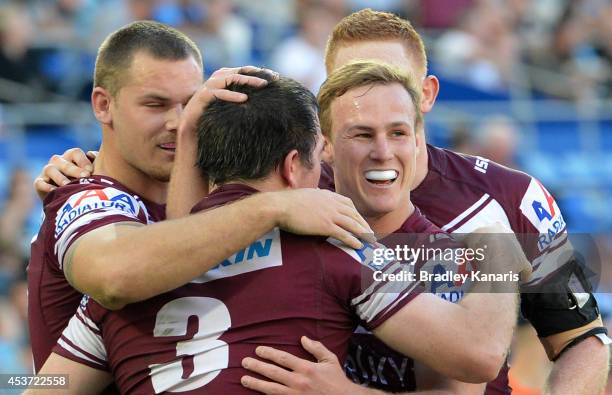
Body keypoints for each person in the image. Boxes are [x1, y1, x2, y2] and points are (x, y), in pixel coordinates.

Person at [27, 65, 528, 395]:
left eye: (397, 131)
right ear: (295, 166)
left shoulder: (137, 260)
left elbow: (42, 387)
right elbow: (480, 354)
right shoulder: (331, 249)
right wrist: (500, 248)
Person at [236, 8, 610, 395]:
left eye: (393, 81)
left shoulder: (508, 198)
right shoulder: (294, 190)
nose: (375, 94)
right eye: (353, 81)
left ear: (427, 93)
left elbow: (580, 340)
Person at [27, 20, 372, 376]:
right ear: (103, 105)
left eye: (192, 104)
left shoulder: (220, 187)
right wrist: (273, 207)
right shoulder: (81, 194)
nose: (178, 123)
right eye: (155, 104)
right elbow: (115, 277)